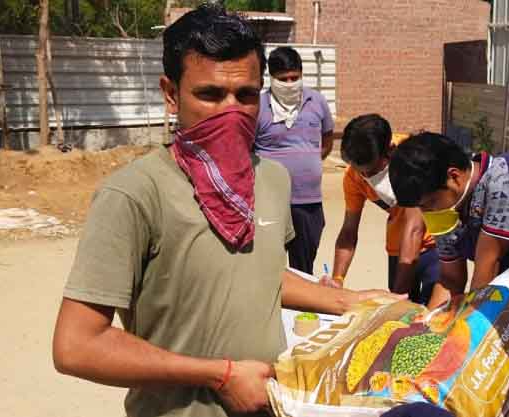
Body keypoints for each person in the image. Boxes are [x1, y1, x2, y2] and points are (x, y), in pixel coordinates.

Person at [52, 6, 394, 417]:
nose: (230, 112)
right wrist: (219, 375)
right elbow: (77, 346)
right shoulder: (134, 194)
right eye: (210, 94)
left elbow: (256, 274)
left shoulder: (270, 179)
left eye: (245, 96)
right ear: (170, 93)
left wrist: (348, 302)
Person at [390, 133, 509, 309]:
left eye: (429, 204)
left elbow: (487, 268)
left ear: (454, 177)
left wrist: (462, 325)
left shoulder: (508, 179)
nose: (426, 213)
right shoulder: (444, 210)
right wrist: (428, 324)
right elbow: (451, 280)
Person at [322, 114, 439, 304]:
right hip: (398, 247)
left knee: (435, 313)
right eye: (361, 171)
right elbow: (349, 231)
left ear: (390, 151)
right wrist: (337, 279)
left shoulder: (413, 156)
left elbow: (415, 227)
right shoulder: (353, 177)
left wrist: (395, 298)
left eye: (372, 171)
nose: (366, 177)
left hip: (436, 244)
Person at [254, 46, 335, 275]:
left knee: (304, 268)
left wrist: (309, 163)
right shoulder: (258, 106)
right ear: (271, 78)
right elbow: (246, 149)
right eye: (283, 79)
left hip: (308, 202)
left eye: (294, 77)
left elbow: (327, 138)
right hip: (270, 202)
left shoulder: (317, 101)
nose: (289, 83)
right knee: (268, 266)